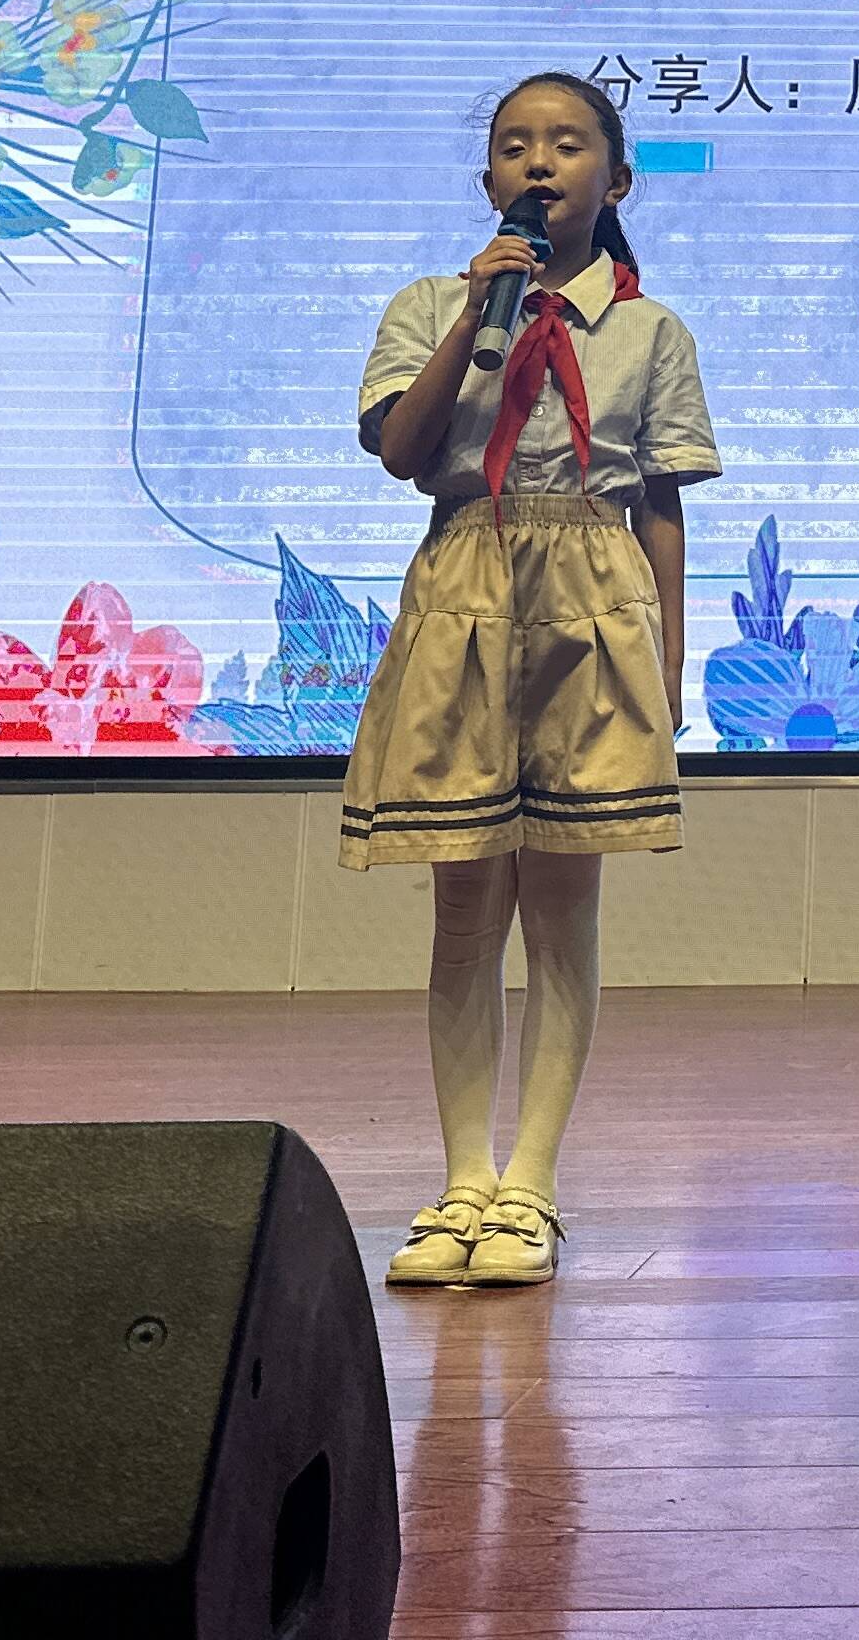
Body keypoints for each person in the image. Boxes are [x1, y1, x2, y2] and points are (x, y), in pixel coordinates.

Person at [346, 70, 715, 1291]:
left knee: (563, 905)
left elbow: (661, 507)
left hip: (595, 596)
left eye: (566, 144)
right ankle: (461, 1182)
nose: (539, 163)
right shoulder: (429, 305)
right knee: (462, 903)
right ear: (489, 179)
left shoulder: (653, 332)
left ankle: (532, 1188)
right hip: (465, 583)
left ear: (617, 178)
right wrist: (476, 316)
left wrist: (668, 655)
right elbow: (405, 454)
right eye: (515, 146)